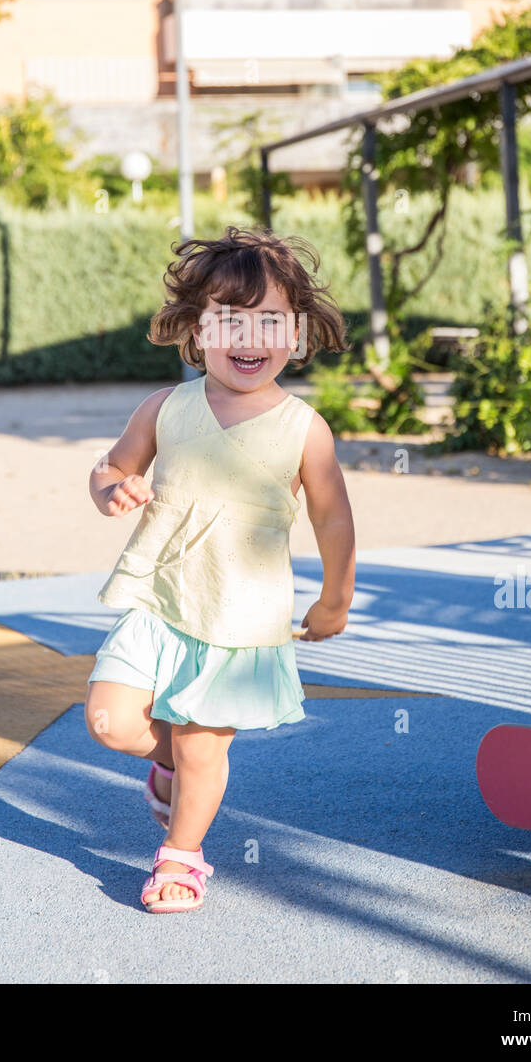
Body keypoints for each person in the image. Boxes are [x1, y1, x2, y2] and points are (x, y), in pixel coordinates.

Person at [84, 225, 356, 913]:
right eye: (230, 318)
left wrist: (335, 600)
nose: (251, 335)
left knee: (206, 748)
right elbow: (111, 466)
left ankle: (180, 859)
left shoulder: (304, 428)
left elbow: (332, 518)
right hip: (159, 600)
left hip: (239, 619)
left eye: (271, 320)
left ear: (296, 334)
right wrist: (113, 488)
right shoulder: (166, 408)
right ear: (196, 331)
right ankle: (167, 766)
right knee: (110, 724)